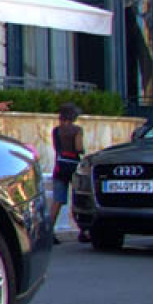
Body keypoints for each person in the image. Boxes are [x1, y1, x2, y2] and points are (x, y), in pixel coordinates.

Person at [50, 103, 84, 242]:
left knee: (57, 200)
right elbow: (79, 147)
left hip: (60, 165)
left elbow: (56, 148)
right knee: (78, 199)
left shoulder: (56, 130)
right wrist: (82, 151)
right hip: (73, 165)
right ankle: (84, 230)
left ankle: (49, 232)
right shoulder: (77, 130)